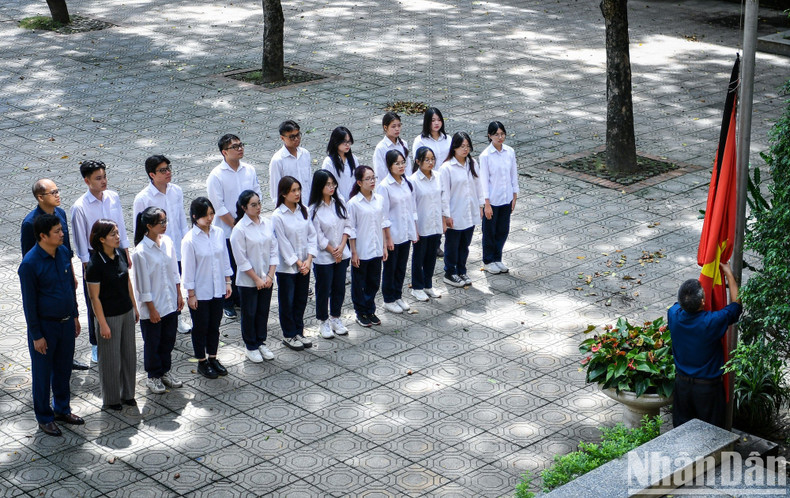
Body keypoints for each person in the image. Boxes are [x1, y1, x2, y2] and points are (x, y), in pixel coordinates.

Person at [19, 214, 84, 436]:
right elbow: (29, 304)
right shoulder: (29, 264)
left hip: (66, 323)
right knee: (42, 373)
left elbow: (69, 287)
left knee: (64, 369)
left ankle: (62, 409)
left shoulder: (63, 252)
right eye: (57, 231)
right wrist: (37, 335)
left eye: (61, 230)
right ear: (42, 236)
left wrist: (75, 315)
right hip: (45, 328)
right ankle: (44, 417)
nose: (62, 234)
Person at [21, 179, 88, 370]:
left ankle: (67, 358)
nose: (58, 195)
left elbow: (65, 248)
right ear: (40, 197)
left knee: (68, 313)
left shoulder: (60, 213)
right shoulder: (30, 223)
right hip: (44, 278)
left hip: (63, 270)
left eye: (58, 191)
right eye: (53, 192)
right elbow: (29, 258)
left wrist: (71, 274)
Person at [71, 160, 131, 363]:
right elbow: (80, 239)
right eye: (98, 178)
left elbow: (120, 224)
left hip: (116, 252)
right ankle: (96, 342)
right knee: (94, 300)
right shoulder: (80, 207)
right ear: (87, 181)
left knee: (119, 291)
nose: (103, 181)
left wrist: (126, 249)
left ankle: (120, 332)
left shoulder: (113, 197)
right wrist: (88, 266)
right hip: (94, 257)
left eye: (104, 176)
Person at [668, 264, 742, 429]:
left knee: (682, 432)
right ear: (703, 301)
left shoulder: (673, 314)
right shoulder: (711, 321)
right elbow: (736, 306)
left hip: (682, 386)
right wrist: (729, 273)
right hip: (708, 389)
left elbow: (678, 304)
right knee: (711, 435)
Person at [132, 155, 190, 333]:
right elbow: (139, 228)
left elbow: (181, 219)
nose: (168, 172)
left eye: (168, 168)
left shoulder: (176, 191)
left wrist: (186, 243)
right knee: (159, 283)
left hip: (174, 247)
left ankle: (177, 316)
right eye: (162, 170)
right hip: (154, 249)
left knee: (176, 280)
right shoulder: (142, 198)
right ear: (151, 174)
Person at [206, 134, 261, 319]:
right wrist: (238, 227)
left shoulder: (249, 170)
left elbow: (256, 194)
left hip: (249, 227)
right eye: (235, 146)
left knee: (245, 264)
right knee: (228, 267)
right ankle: (227, 302)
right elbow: (219, 207)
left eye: (241, 145)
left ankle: (240, 299)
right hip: (228, 230)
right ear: (224, 152)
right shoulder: (216, 176)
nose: (240, 148)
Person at [86, 219, 138, 411]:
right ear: (101, 239)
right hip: (108, 316)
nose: (118, 237)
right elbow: (94, 298)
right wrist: (102, 324)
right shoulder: (95, 264)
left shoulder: (120, 254)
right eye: (113, 234)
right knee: (110, 358)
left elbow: (127, 282)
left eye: (117, 233)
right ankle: (111, 398)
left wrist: (134, 305)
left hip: (126, 311)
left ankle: (128, 394)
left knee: (128, 354)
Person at [132, 207, 184, 394]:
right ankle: (153, 376)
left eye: (165, 221)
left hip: (170, 302)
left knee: (168, 339)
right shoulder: (140, 252)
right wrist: (152, 309)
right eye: (160, 222)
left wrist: (179, 293)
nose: (164, 225)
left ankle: (165, 371)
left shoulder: (168, 242)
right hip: (153, 306)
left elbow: (174, 272)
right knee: (153, 342)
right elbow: (143, 286)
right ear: (148, 226)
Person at [181, 197, 233, 379]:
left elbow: (224, 258)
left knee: (214, 325)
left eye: (211, 214)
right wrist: (191, 294)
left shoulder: (218, 233)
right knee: (200, 326)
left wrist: (228, 282)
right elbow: (188, 270)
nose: (210, 218)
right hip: (200, 291)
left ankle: (213, 357)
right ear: (195, 217)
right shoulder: (189, 240)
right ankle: (202, 361)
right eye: (205, 215)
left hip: (218, 287)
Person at [230, 190, 278, 362]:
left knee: (262, 311)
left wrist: (270, 276)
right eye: (253, 205)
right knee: (249, 312)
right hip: (248, 280)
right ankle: (250, 345)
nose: (258, 207)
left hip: (267, 278)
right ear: (244, 207)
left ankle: (261, 341)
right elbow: (241, 261)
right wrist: (256, 279)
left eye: (259, 203)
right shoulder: (239, 230)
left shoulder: (267, 223)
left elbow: (274, 249)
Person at [272, 177, 317, 351]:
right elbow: (282, 243)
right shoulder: (278, 216)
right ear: (283, 193)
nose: (297, 193)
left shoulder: (303, 210)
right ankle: (289, 334)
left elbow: (311, 235)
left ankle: (299, 331)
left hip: (305, 265)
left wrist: (308, 260)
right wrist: (298, 262)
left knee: (301, 299)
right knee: (287, 301)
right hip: (288, 268)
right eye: (293, 190)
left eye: (298, 189)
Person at [308, 170, 352, 339]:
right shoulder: (314, 209)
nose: (331, 187)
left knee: (339, 287)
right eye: (327, 184)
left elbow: (348, 225)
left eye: (333, 183)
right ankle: (323, 320)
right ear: (320, 186)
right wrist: (332, 250)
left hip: (342, 253)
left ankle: (335, 317)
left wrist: (341, 247)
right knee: (323, 288)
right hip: (324, 257)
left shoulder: (339, 202)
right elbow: (318, 236)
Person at [439, 132, 484, 288]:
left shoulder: (472, 163)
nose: (465, 150)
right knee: (452, 245)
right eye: (462, 146)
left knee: (464, 244)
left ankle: (461, 269)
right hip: (455, 213)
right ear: (455, 148)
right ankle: (449, 272)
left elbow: (479, 186)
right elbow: (444, 193)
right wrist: (446, 215)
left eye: (467, 146)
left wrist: (481, 205)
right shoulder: (447, 168)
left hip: (470, 211)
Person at [379, 150, 418, 314]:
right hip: (393, 234)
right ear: (389, 165)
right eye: (397, 163)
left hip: (405, 232)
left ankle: (398, 295)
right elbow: (384, 215)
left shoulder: (407, 182)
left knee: (401, 266)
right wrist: (387, 238)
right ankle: (388, 299)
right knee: (390, 267)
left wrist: (414, 230)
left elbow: (412, 208)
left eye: (403, 162)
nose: (401, 166)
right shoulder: (384, 186)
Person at [347, 166, 387, 327]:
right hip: (362, 250)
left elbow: (382, 223)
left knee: (374, 281)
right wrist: (354, 252)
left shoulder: (379, 200)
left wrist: (384, 246)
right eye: (368, 179)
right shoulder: (354, 203)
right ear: (359, 182)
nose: (372, 181)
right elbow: (351, 229)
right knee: (359, 282)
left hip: (376, 247)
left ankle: (370, 309)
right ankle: (360, 311)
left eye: (373, 178)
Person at [479, 121, 519, 274]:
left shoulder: (509, 152)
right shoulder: (485, 156)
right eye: (496, 135)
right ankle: (488, 260)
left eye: (502, 134)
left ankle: (497, 258)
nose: (500, 137)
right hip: (493, 200)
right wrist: (486, 203)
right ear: (490, 136)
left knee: (503, 230)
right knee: (490, 231)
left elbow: (513, 175)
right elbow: (484, 182)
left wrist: (514, 196)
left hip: (506, 197)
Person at [409, 147, 443, 301]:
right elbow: (412, 206)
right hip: (421, 225)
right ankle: (417, 287)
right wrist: (414, 228)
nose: (431, 163)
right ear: (418, 161)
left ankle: (428, 284)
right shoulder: (413, 181)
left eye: (432, 159)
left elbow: (443, 199)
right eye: (427, 160)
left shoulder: (438, 176)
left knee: (431, 256)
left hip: (435, 223)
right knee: (419, 256)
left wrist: (444, 219)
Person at [269, 120, 313, 204]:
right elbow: (275, 190)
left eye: (298, 135)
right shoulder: (278, 160)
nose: (296, 139)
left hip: (307, 205)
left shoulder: (305, 154)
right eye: (292, 137)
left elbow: (309, 181)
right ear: (282, 138)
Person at [321, 126, 358, 201]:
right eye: (344, 142)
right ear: (336, 142)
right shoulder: (329, 162)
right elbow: (328, 184)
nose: (347, 145)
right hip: (337, 202)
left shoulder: (353, 159)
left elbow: (358, 179)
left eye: (349, 141)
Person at [372, 112, 409, 183]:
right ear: (385, 127)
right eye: (393, 126)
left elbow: (407, 167)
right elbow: (380, 172)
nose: (397, 129)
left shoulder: (404, 144)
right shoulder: (381, 148)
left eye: (399, 126)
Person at [412, 107, 451, 172]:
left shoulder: (448, 139)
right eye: (433, 120)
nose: (436, 123)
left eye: (439, 120)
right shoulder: (420, 141)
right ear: (427, 121)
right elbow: (417, 162)